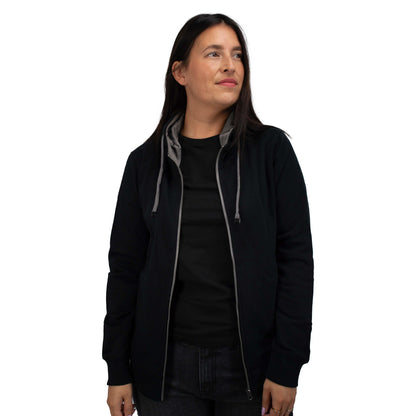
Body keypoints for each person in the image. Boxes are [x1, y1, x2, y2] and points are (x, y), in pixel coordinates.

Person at [102, 13, 314, 416]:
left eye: (237, 55)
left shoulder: (271, 152)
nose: (230, 65)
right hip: (164, 370)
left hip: (252, 367)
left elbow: (296, 262)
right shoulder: (144, 164)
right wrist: (117, 368)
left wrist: (287, 366)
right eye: (214, 54)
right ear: (180, 72)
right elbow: (125, 270)